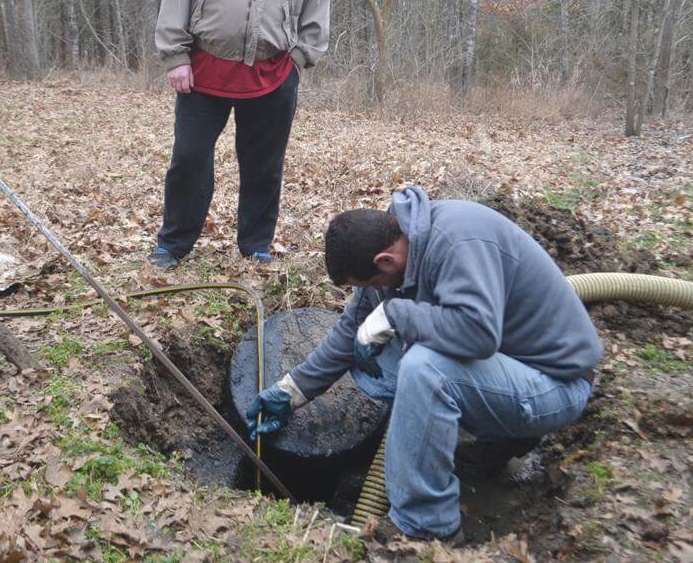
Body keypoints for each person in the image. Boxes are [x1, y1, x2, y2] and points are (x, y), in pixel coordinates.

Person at [246, 186, 602, 542]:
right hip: (507, 370)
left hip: (554, 384)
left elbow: (479, 334)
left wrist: (395, 312)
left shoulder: (458, 241)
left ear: (385, 261)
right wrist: (291, 390)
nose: (372, 292)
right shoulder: (394, 242)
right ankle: (496, 442)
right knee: (379, 363)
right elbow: (351, 330)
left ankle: (426, 527)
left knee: (423, 368)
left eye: (368, 285)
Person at [147, 0, 331, 270]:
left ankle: (256, 246)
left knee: (264, 166)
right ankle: (173, 245)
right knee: (189, 160)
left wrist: (301, 60)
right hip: (205, 69)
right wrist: (175, 55)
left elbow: (318, 2)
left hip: (272, 73)